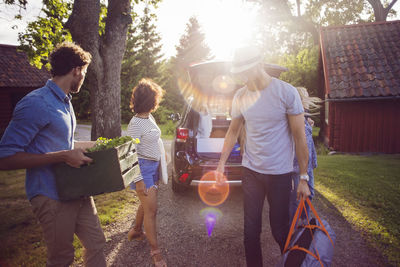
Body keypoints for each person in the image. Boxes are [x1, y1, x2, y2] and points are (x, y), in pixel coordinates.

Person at [0, 42, 106, 266]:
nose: (83, 78)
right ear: (76, 70)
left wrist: (98, 145)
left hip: (77, 189)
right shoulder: (35, 103)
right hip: (50, 195)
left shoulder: (65, 102)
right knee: (61, 258)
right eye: (84, 72)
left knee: (97, 243)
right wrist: (63, 157)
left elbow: (64, 144)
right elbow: (5, 157)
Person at [216, 46, 311, 267]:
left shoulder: (286, 92)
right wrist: (221, 163)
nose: (241, 76)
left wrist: (304, 178)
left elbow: (300, 138)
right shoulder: (241, 96)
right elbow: (233, 131)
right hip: (251, 172)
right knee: (250, 231)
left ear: (258, 65)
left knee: (280, 230)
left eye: (245, 70)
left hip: (280, 174)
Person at [126, 78, 167, 267]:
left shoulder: (149, 117)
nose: (156, 102)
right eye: (154, 98)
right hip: (143, 169)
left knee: (146, 204)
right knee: (152, 210)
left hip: (154, 166)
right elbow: (130, 153)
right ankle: (155, 252)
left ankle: (135, 231)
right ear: (149, 100)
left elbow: (155, 139)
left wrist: (162, 154)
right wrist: (139, 179)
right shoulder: (135, 123)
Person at [289, 87, 321, 221]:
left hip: (306, 164)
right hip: (300, 165)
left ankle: (304, 223)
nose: (308, 102)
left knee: (309, 194)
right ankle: (293, 225)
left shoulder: (304, 117)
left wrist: (309, 125)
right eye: (306, 98)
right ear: (301, 100)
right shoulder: (298, 117)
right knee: (299, 197)